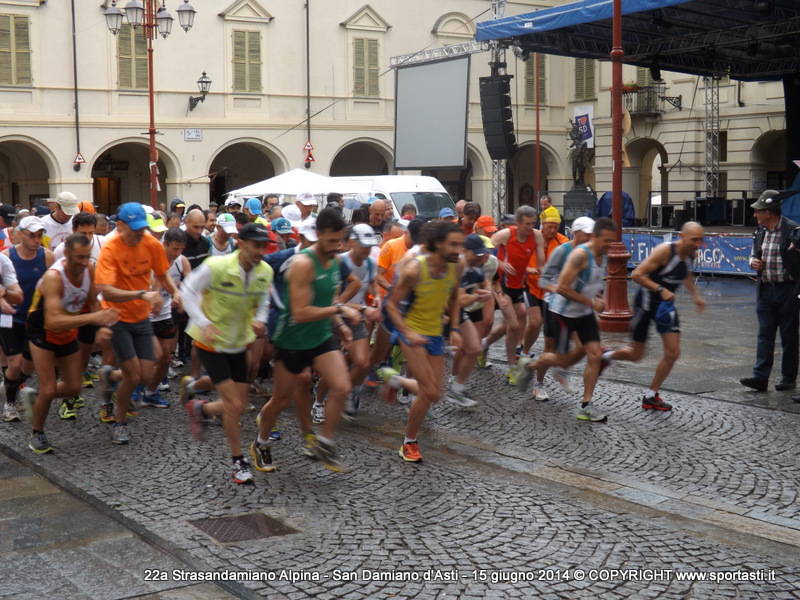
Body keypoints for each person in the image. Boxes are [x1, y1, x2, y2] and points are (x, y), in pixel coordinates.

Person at [251, 208, 359, 473]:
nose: (338, 247)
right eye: (332, 241)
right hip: (292, 339)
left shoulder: (334, 262)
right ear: (318, 235)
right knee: (281, 399)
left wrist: (340, 324)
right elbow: (300, 312)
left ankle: (323, 441)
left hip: (321, 336)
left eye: (341, 241)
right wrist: (339, 311)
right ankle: (261, 442)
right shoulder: (303, 264)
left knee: (342, 386)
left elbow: (328, 300)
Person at [181, 223, 273, 485]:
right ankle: (238, 462)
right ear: (241, 243)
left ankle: (201, 408)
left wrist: (259, 319)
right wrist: (202, 322)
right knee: (235, 406)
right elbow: (187, 290)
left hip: (238, 343)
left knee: (238, 405)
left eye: (264, 246)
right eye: (256, 246)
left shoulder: (265, 271)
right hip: (210, 344)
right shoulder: (217, 266)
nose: (260, 252)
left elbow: (263, 301)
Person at [22, 234, 118, 454]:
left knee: (75, 387)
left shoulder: (88, 269)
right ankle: (37, 433)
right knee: (49, 387)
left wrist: (102, 326)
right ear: (66, 255)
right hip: (42, 331)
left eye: (87, 257)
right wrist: (94, 319)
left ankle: (37, 399)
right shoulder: (54, 277)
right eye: (79, 258)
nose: (84, 263)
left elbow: (93, 301)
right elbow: (53, 320)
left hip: (67, 331)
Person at [378, 220, 464, 462]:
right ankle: (409, 443)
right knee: (429, 391)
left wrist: (454, 327)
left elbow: (455, 298)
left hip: (435, 333)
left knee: (434, 394)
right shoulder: (415, 269)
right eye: (454, 245)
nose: (459, 250)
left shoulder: (456, 268)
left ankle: (396, 380)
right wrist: (407, 331)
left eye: (461, 244)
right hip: (411, 333)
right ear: (437, 245)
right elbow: (392, 306)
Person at [94, 202, 178, 445]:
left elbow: (162, 274)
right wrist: (142, 295)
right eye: (134, 229)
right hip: (116, 317)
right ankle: (120, 422)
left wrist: (175, 293)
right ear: (119, 226)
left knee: (146, 373)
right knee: (133, 376)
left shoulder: (151, 243)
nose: (140, 233)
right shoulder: (110, 249)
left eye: (142, 229)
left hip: (141, 316)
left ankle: (112, 377)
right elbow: (106, 292)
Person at [518, 218, 617, 422]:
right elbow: (561, 288)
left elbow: (596, 282)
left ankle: (586, 405)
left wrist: (599, 297)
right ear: (594, 237)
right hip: (561, 312)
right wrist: (591, 302)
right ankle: (530, 368)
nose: (609, 246)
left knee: (594, 355)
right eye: (606, 241)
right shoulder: (577, 255)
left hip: (584, 312)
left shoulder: (603, 255)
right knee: (558, 357)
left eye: (611, 242)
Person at [601, 222, 706, 410]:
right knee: (636, 355)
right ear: (682, 236)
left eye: (701, 240)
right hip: (647, 305)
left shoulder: (691, 253)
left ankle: (651, 395)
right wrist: (660, 289)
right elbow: (637, 274)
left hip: (666, 306)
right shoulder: (664, 252)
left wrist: (696, 296)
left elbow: (687, 274)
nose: (698, 244)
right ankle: (606, 355)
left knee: (673, 353)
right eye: (694, 239)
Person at [528, 216, 595, 400]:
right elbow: (544, 279)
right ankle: (538, 383)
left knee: (582, 346)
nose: (590, 238)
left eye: (592, 234)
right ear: (575, 233)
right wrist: (559, 289)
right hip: (555, 305)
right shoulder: (562, 251)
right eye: (586, 234)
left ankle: (561, 367)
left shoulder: (591, 252)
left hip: (576, 306)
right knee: (550, 347)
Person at [739, 190, 800, 392]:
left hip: (788, 289)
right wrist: (752, 262)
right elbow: (754, 253)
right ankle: (760, 377)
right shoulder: (761, 231)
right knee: (764, 334)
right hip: (765, 289)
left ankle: (788, 378)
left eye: (758, 211)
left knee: (789, 336)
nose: (755, 215)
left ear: (769, 212)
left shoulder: (792, 230)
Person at [1, 216, 55, 422]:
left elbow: (53, 286)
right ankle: (10, 404)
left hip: (34, 319)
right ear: (19, 234)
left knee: (28, 367)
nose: (36, 240)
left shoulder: (47, 257)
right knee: (14, 364)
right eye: (31, 235)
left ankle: (8, 386)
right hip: (8, 318)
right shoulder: (6, 256)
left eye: (39, 236)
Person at [489, 206, 545, 382]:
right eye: (527, 224)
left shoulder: (536, 236)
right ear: (518, 223)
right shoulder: (506, 234)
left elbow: (542, 264)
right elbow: (485, 252)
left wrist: (539, 273)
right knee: (513, 325)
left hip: (519, 284)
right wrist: (499, 262)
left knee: (518, 317)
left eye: (533, 223)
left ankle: (484, 345)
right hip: (500, 284)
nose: (530, 227)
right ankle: (512, 365)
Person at [337, 224, 382, 419]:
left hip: (357, 318)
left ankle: (349, 391)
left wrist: (377, 296)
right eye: (364, 245)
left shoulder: (370, 264)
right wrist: (364, 309)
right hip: (335, 317)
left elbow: (372, 283)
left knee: (364, 363)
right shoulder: (340, 263)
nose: (367, 250)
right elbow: (336, 302)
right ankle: (321, 400)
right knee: (337, 361)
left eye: (370, 246)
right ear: (352, 242)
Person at [144, 227, 191, 408]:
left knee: (165, 357)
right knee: (153, 357)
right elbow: (151, 288)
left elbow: (190, 284)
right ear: (165, 244)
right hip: (145, 316)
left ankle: (150, 392)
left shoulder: (181, 261)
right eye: (174, 249)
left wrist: (179, 298)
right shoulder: (151, 259)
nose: (177, 253)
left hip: (164, 315)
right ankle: (129, 382)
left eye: (180, 249)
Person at [447, 234, 493, 408]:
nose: (480, 258)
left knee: (474, 348)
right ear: (464, 251)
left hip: (457, 312)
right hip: (438, 312)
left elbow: (485, 282)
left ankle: (456, 389)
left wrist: (487, 292)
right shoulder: (456, 267)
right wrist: (477, 296)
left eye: (482, 255)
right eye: (477, 255)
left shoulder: (476, 266)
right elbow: (460, 300)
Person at [522, 210, 569, 359]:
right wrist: (533, 270)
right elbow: (518, 264)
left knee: (550, 332)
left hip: (551, 291)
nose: (553, 230)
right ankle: (523, 352)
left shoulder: (563, 242)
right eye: (550, 226)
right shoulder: (530, 239)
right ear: (542, 225)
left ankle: (538, 356)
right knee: (535, 322)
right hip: (531, 286)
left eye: (556, 227)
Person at [0, 250, 24, 422]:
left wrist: (6, 294)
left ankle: (10, 401)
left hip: (4, 316)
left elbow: (17, 296)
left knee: (15, 363)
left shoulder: (3, 260)